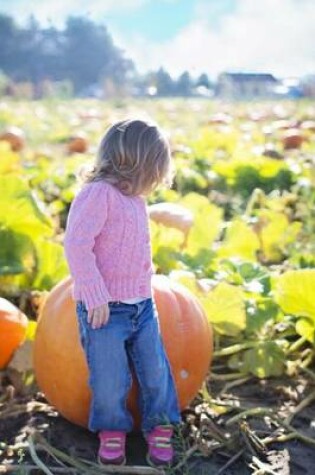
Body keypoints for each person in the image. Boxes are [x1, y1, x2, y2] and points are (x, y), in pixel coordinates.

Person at [63, 119, 181, 467]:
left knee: (155, 371)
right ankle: (111, 431)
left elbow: (127, 247)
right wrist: (93, 293)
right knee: (110, 376)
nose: (156, 182)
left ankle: (160, 427)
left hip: (142, 306)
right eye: (156, 172)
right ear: (141, 165)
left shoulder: (135, 199)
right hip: (104, 308)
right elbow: (77, 244)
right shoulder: (99, 193)